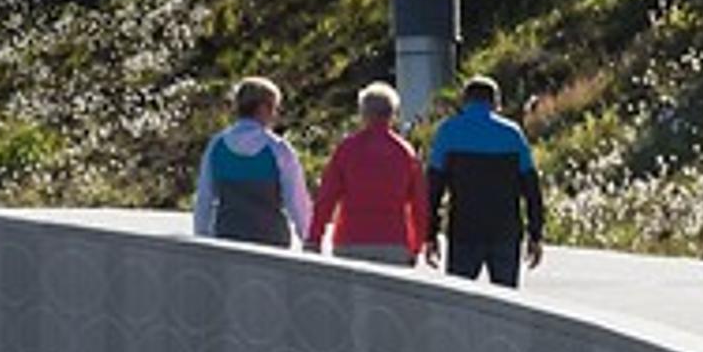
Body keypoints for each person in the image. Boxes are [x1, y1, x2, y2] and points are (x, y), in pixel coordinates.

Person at [426, 74, 548, 288]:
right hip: (505, 231)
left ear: (464, 102)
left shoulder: (448, 132)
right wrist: (535, 234)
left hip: (464, 229)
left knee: (460, 303)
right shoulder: (512, 134)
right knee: (505, 303)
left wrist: (430, 233)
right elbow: (531, 188)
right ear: (496, 103)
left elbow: (433, 188)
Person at [307, 82, 430, 267]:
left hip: (351, 239)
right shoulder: (405, 152)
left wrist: (315, 237)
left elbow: (327, 196)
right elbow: (419, 204)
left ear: (363, 113)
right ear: (393, 114)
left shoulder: (348, 149)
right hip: (394, 241)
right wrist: (416, 246)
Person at [189, 77, 313, 247]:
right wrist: (308, 239)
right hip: (271, 243)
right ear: (263, 108)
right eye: (274, 108)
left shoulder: (216, 146)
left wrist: (201, 237)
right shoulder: (278, 148)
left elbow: (204, 198)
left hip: (227, 240)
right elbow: (297, 202)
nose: (275, 114)